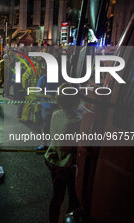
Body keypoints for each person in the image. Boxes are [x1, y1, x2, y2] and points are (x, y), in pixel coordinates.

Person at [44, 83, 81, 223]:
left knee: (57, 196)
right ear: (75, 101)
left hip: (52, 160)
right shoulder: (76, 122)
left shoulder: (56, 114)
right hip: (66, 165)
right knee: (74, 197)